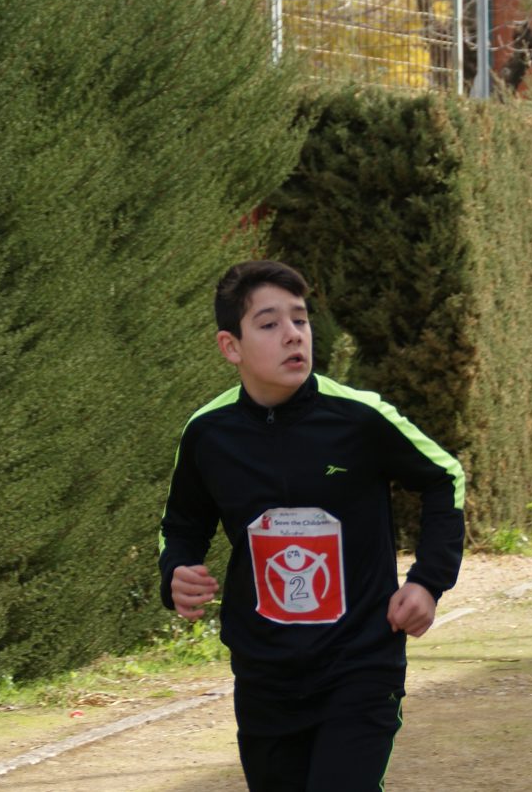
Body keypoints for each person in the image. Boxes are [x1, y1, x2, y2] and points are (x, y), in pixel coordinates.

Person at [159, 260, 465, 791]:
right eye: (269, 323)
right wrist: (177, 572)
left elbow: (445, 477)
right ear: (230, 346)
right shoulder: (209, 433)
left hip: (360, 662)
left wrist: (427, 581)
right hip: (265, 675)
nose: (293, 334)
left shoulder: (360, 417)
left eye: (300, 319)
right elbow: (182, 523)